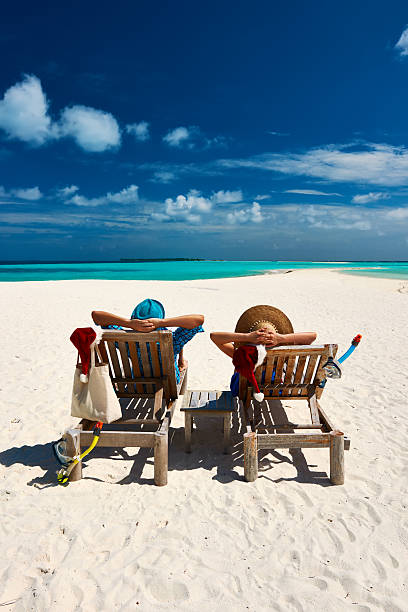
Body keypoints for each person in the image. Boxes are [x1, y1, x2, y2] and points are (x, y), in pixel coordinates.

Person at [210, 305, 316, 399]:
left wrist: (247, 337)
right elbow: (312, 336)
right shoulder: (283, 354)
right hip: (276, 390)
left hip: (245, 389)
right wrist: (282, 338)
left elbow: (214, 337)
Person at [92, 299, 204, 382]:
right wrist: (162, 323)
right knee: (183, 363)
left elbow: (96, 316)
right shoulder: (171, 341)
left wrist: (128, 323)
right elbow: (199, 320)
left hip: (137, 384)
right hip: (168, 384)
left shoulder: (125, 340)